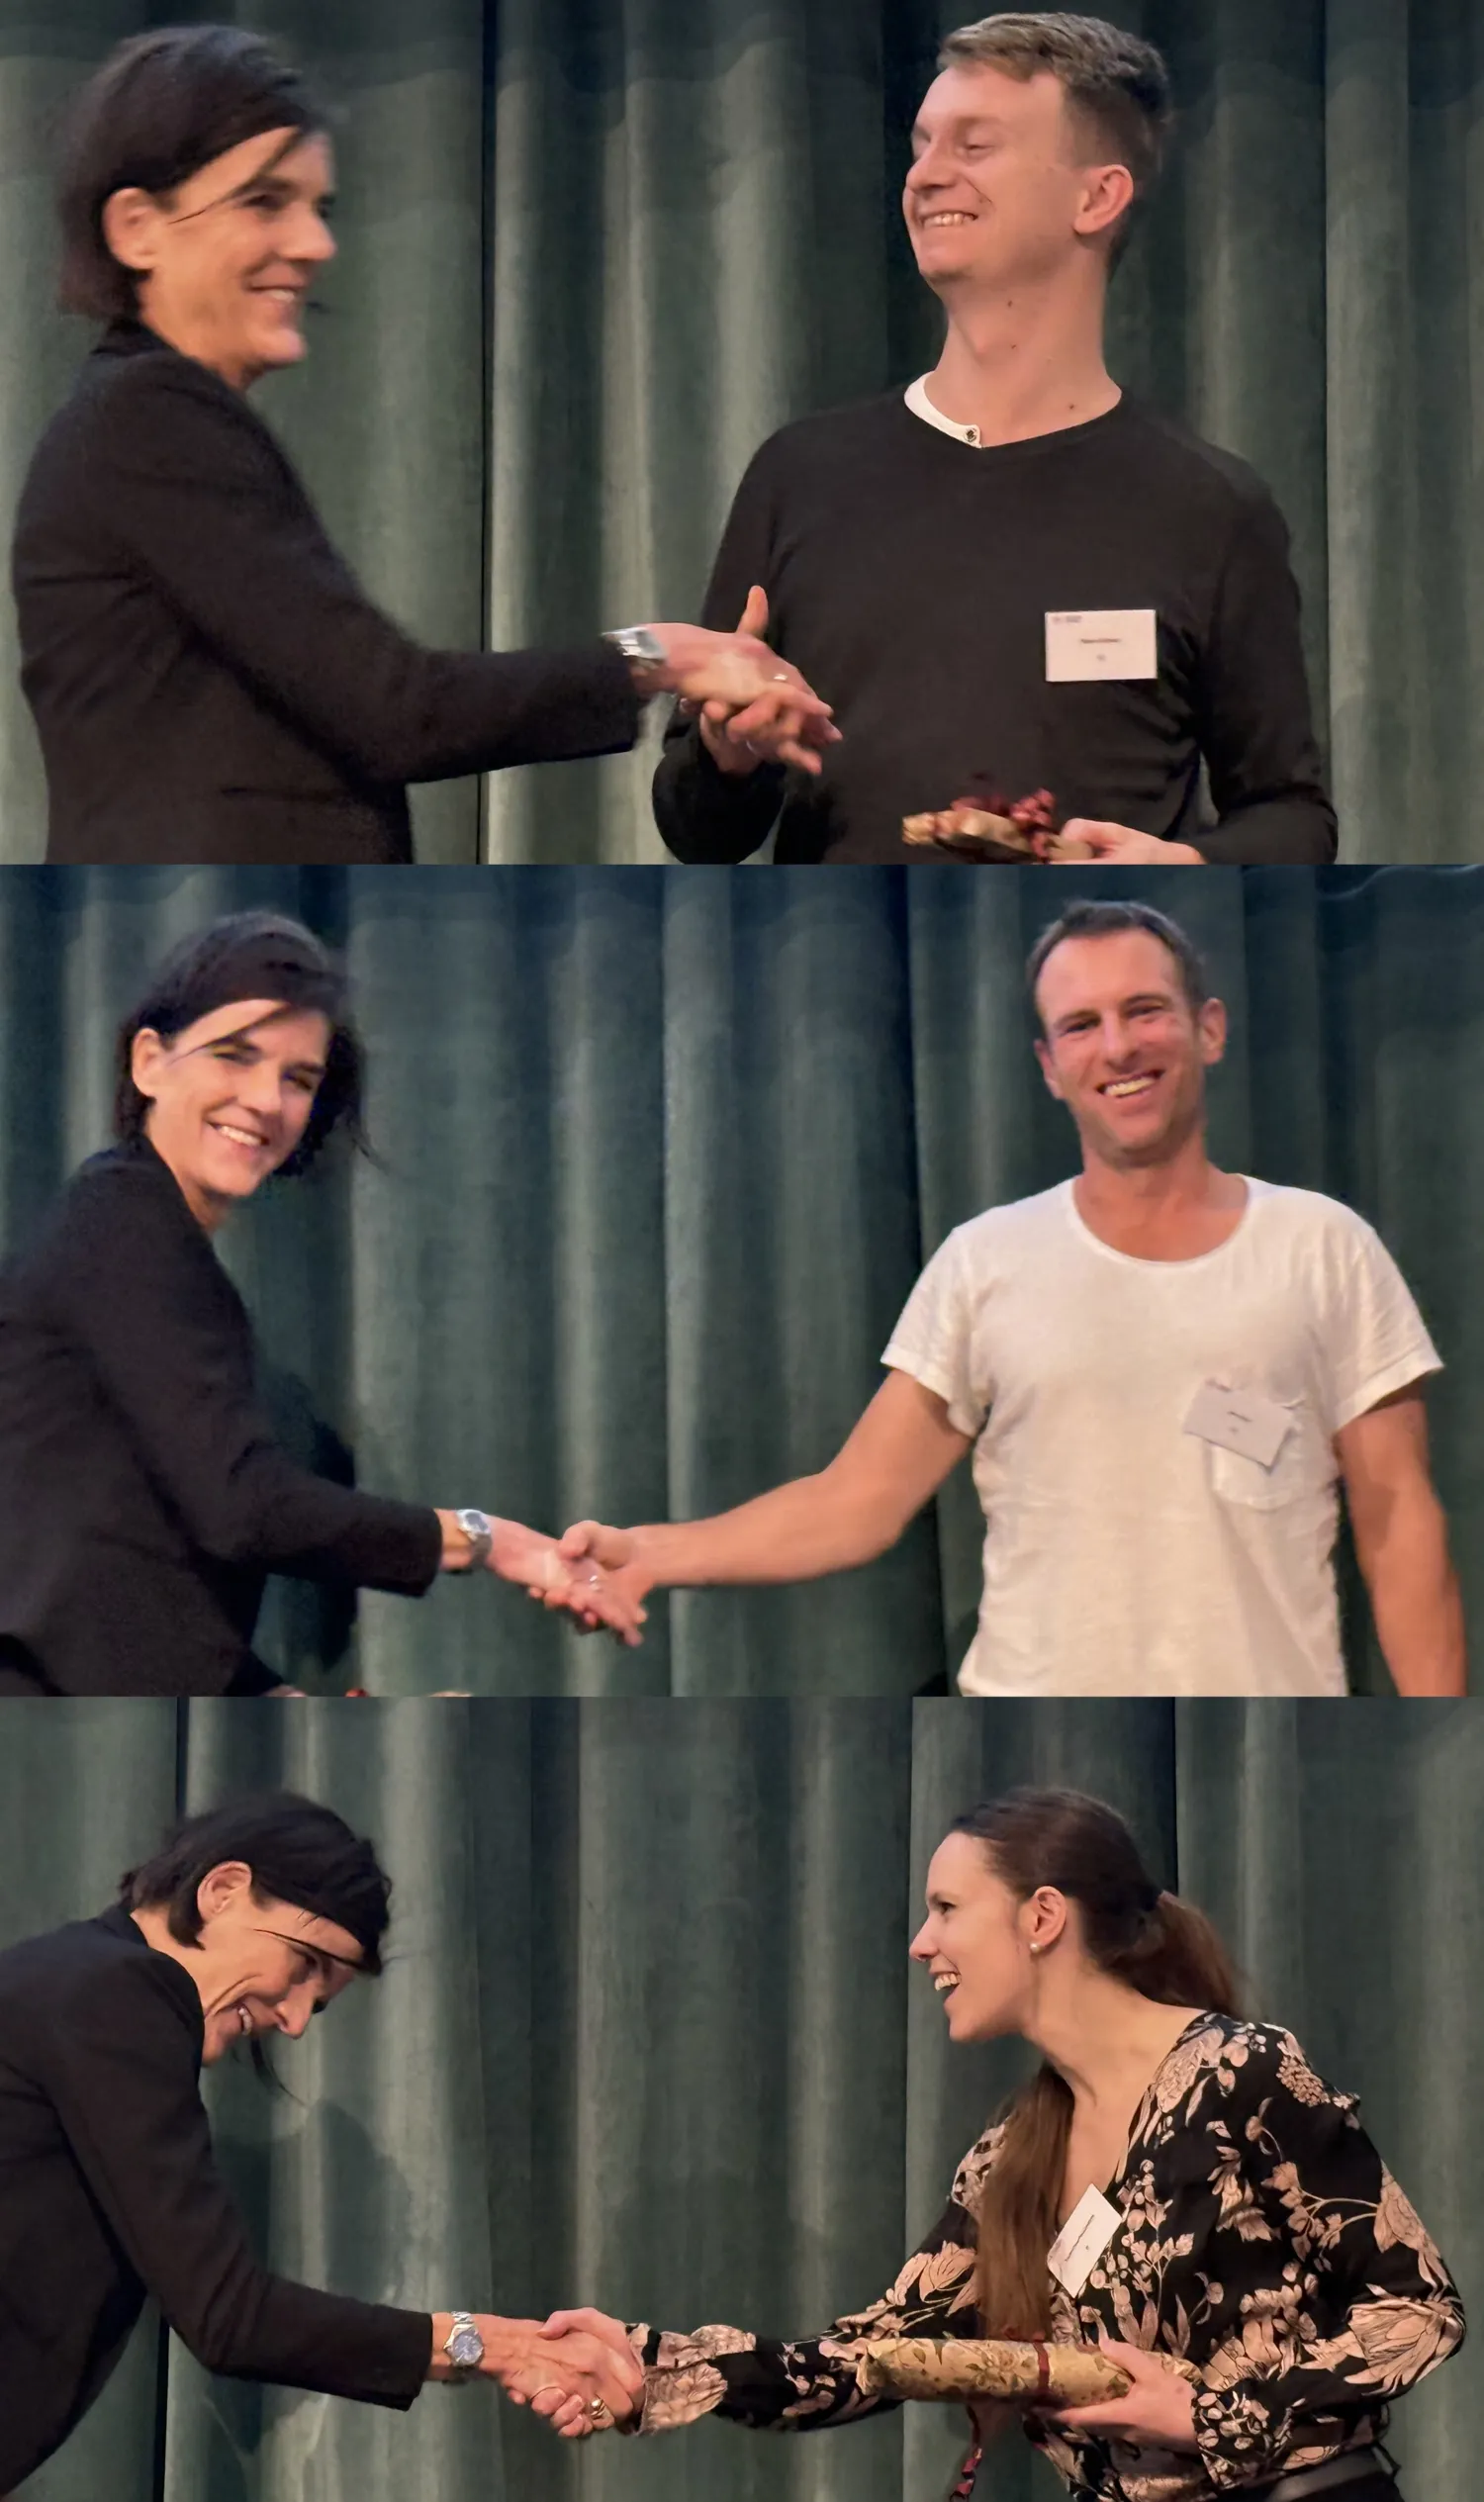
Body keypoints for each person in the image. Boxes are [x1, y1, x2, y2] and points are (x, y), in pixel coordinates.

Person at [553, 901, 1465, 1698]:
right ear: (1046, 1063)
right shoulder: (984, 1262)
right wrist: (655, 1553)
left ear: (1210, 1028)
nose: (1117, 1046)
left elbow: (1399, 1521)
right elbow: (857, 1501)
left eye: (1145, 1010)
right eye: (1082, 1024)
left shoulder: (1325, 1246)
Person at [11, 25, 835, 868]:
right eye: (264, 202)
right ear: (136, 227)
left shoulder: (141, 418)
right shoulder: (149, 415)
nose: (314, 244)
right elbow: (399, 710)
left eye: (317, 208)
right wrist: (664, 653)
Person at [529, 1788, 1463, 2500]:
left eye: (945, 1907)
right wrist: (649, 2361)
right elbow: (876, 2353)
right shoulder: (1011, 2151)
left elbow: (1418, 2307)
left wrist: (1213, 2417)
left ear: (1041, 1916)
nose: (918, 1942)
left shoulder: (1241, 2072)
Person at [652, 12, 1337, 868]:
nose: (925, 176)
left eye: (974, 148)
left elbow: (1292, 818)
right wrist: (729, 751)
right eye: (923, 143)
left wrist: (1189, 867)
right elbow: (693, 828)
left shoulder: (1210, 508)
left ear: (1097, 196)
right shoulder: (800, 476)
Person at [0, 910, 642, 1697]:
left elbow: (128, 1567)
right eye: (235, 1056)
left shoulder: (133, 1225)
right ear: (148, 1061)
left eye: (297, 1078)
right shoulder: (123, 1222)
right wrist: (491, 1539)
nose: (266, 1100)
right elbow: (244, 1506)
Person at [0, 1791, 643, 2497]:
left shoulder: (66, 1973)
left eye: (322, 1998)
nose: (298, 2019)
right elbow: (231, 2318)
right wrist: (495, 2344)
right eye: (304, 1962)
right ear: (222, 1889)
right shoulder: (117, 1996)